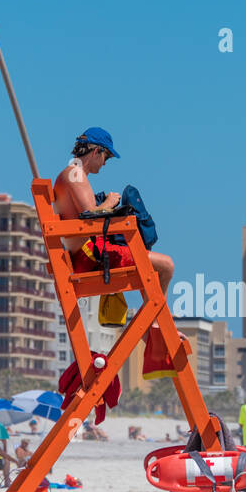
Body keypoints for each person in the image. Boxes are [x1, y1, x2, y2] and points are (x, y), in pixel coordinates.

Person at [53, 127, 184, 378]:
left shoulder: (72, 173)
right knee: (166, 265)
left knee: (155, 266)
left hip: (84, 254)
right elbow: (90, 218)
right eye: (106, 157)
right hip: (90, 257)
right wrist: (111, 203)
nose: (105, 163)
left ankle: (152, 324)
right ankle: (153, 325)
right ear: (96, 151)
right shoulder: (75, 173)